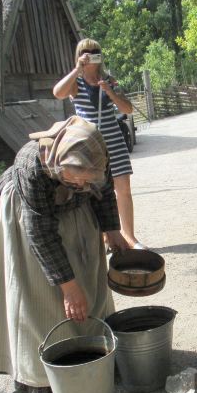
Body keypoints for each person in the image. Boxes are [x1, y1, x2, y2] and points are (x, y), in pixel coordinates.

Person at [0, 116, 129, 393]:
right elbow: (41, 233)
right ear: (60, 163)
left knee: (89, 280)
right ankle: (43, 375)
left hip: (77, 212)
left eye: (87, 179)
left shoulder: (95, 151)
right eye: (74, 177)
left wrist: (112, 230)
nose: (81, 183)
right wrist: (68, 288)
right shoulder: (32, 165)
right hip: (30, 217)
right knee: (43, 294)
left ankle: (97, 352)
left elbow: (105, 190)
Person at [53, 38, 146, 250]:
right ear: (78, 56)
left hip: (114, 142)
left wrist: (110, 92)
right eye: (84, 52)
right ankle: (106, 238)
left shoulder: (109, 80)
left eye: (94, 51)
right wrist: (77, 69)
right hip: (90, 146)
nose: (90, 54)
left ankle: (129, 237)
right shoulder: (76, 82)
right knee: (95, 192)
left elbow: (128, 109)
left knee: (123, 189)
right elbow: (57, 93)